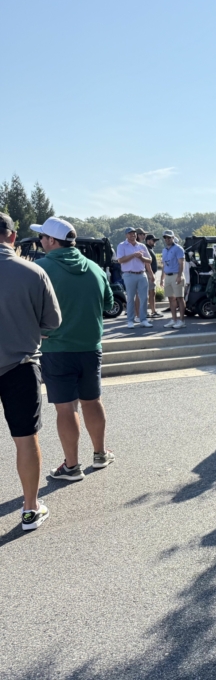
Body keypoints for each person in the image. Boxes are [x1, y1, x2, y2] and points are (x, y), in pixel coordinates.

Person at [30, 217, 116, 480]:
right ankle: (100, 454)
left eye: (42, 237)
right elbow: (108, 304)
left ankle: (71, 466)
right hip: (90, 347)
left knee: (66, 408)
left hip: (55, 348)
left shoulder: (40, 269)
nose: (40, 241)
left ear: (51, 240)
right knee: (93, 401)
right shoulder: (95, 268)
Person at [0, 213, 61, 530]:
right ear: (12, 236)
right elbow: (53, 322)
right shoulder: (33, 272)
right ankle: (30, 508)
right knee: (25, 438)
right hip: (20, 366)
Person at [116, 227, 152, 328]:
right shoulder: (122, 245)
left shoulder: (141, 246)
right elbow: (120, 260)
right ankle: (130, 320)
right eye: (130, 233)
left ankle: (143, 319)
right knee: (131, 298)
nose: (133, 235)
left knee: (144, 298)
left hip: (141, 274)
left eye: (134, 233)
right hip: (129, 274)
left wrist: (141, 257)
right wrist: (133, 255)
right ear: (126, 235)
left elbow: (149, 260)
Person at [160, 230, 187, 329]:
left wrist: (179, 276)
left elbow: (181, 263)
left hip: (176, 275)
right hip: (168, 276)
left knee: (179, 298)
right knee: (171, 298)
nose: (167, 239)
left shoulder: (178, 248)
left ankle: (182, 321)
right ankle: (174, 319)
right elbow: (164, 265)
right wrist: (162, 278)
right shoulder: (164, 250)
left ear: (173, 237)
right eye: (165, 238)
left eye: (169, 237)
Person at [144, 234, 164, 318]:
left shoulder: (149, 249)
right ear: (148, 241)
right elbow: (147, 263)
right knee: (151, 292)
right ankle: (152, 311)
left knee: (151, 292)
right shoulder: (147, 249)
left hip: (150, 273)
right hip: (149, 273)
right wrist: (151, 274)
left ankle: (151, 310)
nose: (155, 242)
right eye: (153, 240)